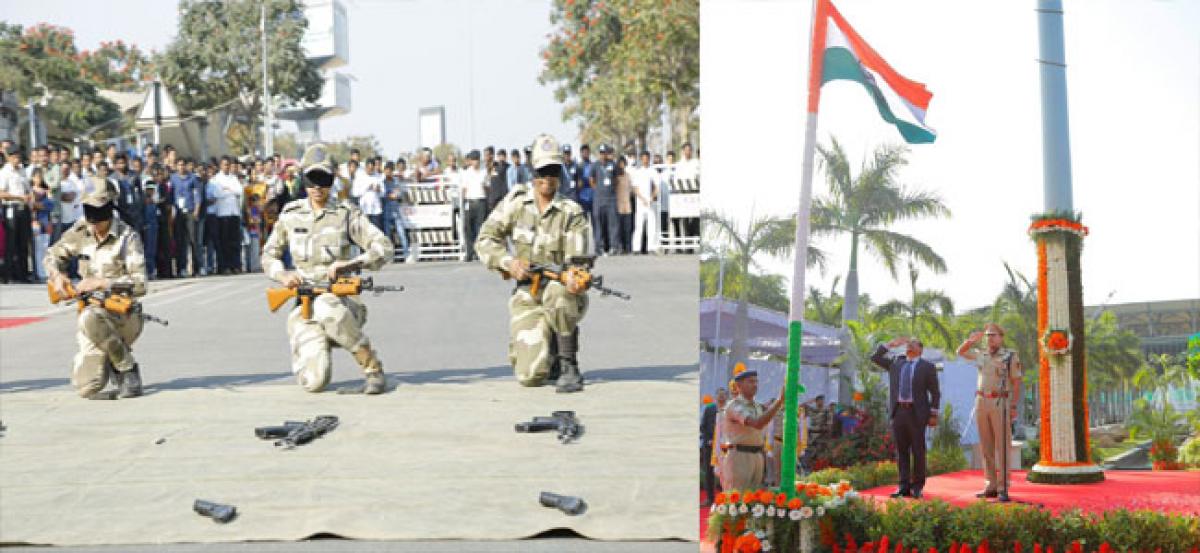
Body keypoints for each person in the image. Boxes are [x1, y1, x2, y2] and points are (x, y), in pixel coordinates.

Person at [260, 144, 394, 394]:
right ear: (303, 181)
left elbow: (383, 247)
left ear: (332, 181)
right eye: (312, 180)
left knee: (327, 309)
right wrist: (282, 274)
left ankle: (372, 367)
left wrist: (352, 263)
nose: (317, 188)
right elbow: (268, 254)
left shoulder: (345, 214)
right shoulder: (291, 215)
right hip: (304, 305)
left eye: (324, 180)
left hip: (342, 303)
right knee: (315, 382)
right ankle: (317, 343)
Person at [474, 134, 592, 393]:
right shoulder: (515, 203)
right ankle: (546, 350)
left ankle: (568, 363)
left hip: (561, 291)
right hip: (528, 293)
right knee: (530, 376)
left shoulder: (571, 213)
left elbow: (578, 262)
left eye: (552, 171)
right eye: (541, 171)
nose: (547, 178)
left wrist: (574, 278)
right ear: (532, 172)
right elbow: (484, 240)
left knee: (559, 293)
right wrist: (508, 262)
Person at [45, 182, 148, 398]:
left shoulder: (127, 237)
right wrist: (57, 275)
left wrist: (102, 283)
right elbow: (53, 254)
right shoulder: (81, 231)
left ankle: (126, 368)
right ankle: (111, 355)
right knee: (87, 387)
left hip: (123, 315)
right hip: (92, 313)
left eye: (99, 216)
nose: (94, 224)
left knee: (89, 317)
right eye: (90, 214)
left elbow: (140, 284)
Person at [957, 323, 1022, 502]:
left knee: (1002, 446)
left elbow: (1016, 382)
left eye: (993, 335)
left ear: (1001, 337)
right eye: (987, 335)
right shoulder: (981, 355)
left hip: (1000, 401)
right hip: (981, 401)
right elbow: (960, 352)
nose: (989, 338)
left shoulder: (1009, 356)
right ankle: (990, 485)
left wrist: (1014, 406)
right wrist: (970, 341)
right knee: (986, 446)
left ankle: (1003, 487)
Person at [870, 336, 941, 499]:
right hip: (898, 412)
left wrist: (933, 414)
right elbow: (875, 358)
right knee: (901, 451)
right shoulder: (896, 362)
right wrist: (889, 345)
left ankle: (917, 487)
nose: (908, 346)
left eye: (913, 344)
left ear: (920, 350)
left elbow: (935, 392)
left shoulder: (927, 367)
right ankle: (903, 486)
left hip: (917, 414)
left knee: (918, 450)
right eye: (908, 344)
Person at [719, 369, 785, 491]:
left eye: (756, 382)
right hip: (739, 457)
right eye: (750, 382)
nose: (755, 385)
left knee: (753, 500)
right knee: (737, 500)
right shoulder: (734, 406)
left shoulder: (758, 406)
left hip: (757, 455)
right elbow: (757, 423)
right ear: (738, 386)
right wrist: (779, 401)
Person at [0, 145, 32, 282]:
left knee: (23, 243)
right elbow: (1, 193)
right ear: (9, 157)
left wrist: (29, 196)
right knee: (11, 243)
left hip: (24, 208)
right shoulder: (4, 172)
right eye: (14, 157)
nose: (17, 159)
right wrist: (19, 197)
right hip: (11, 208)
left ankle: (23, 275)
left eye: (19, 157)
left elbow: (27, 188)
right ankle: (8, 275)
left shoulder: (22, 171)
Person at [700, 387, 728, 507]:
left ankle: (725, 498)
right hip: (710, 446)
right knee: (709, 473)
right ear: (715, 397)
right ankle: (709, 499)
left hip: (724, 448)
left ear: (726, 397)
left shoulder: (729, 410)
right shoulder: (709, 409)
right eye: (719, 395)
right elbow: (703, 427)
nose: (721, 397)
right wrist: (709, 440)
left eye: (723, 395)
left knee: (725, 472)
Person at [590, 144, 620, 255]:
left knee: (613, 224)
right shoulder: (595, 166)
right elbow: (592, 181)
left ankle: (614, 246)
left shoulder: (613, 165)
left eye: (605, 153)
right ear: (599, 154)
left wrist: (611, 189)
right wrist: (599, 190)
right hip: (599, 199)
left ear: (607, 153)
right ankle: (599, 247)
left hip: (611, 199)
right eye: (601, 153)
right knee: (599, 224)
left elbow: (616, 180)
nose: (603, 155)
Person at [459, 150, 487, 262]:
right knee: (468, 228)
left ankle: (479, 252)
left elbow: (486, 187)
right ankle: (469, 252)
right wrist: (464, 202)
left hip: (481, 201)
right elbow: (464, 189)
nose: (475, 162)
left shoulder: (483, 172)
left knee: (480, 229)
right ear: (470, 161)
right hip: (469, 202)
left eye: (477, 159)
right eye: (473, 159)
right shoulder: (466, 173)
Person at [630, 151, 659, 254]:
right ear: (641, 159)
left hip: (650, 203)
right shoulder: (638, 172)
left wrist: (651, 198)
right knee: (639, 226)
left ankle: (651, 247)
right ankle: (636, 248)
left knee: (651, 226)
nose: (645, 160)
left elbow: (656, 187)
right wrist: (642, 199)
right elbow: (635, 188)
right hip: (640, 202)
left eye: (647, 158)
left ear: (649, 158)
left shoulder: (653, 171)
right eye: (643, 158)